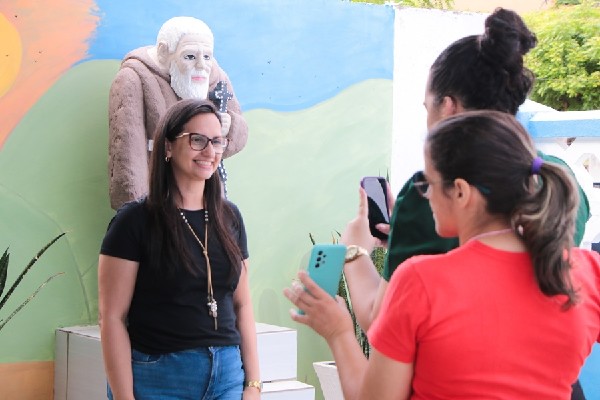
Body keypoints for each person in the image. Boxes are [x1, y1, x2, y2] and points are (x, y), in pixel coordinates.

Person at [339, 8, 590, 397]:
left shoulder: (424, 202)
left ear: (449, 106)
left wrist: (355, 252)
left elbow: (382, 321)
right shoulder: (559, 179)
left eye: (427, 108)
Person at [285, 111, 600, 399]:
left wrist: (338, 331)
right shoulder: (588, 271)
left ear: (460, 192)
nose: (425, 196)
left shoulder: (420, 281)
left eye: (429, 183)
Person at [98, 99, 260, 400]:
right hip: (159, 377)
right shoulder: (134, 220)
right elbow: (112, 318)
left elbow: (242, 305)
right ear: (168, 146)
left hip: (227, 375)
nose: (209, 151)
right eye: (197, 140)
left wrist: (253, 384)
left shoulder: (230, 217)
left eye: (217, 141)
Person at [108, 16, 248, 210]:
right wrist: (137, 212)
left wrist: (229, 125)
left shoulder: (216, 78)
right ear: (164, 52)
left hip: (208, 197)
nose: (201, 65)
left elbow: (238, 132)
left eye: (207, 56)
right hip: (160, 196)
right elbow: (128, 154)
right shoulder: (134, 78)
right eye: (190, 56)